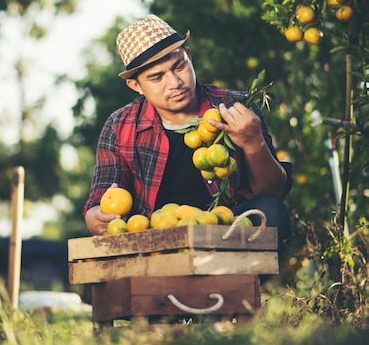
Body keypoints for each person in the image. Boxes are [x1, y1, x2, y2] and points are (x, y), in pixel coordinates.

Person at [84, 14, 292, 257]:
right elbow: (100, 200)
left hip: (225, 236)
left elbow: (272, 192)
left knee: (272, 211)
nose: (174, 83)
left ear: (189, 57)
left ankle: (232, 287)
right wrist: (95, 217)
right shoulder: (120, 126)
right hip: (156, 239)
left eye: (179, 66)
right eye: (157, 77)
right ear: (136, 85)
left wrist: (254, 143)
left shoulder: (235, 109)